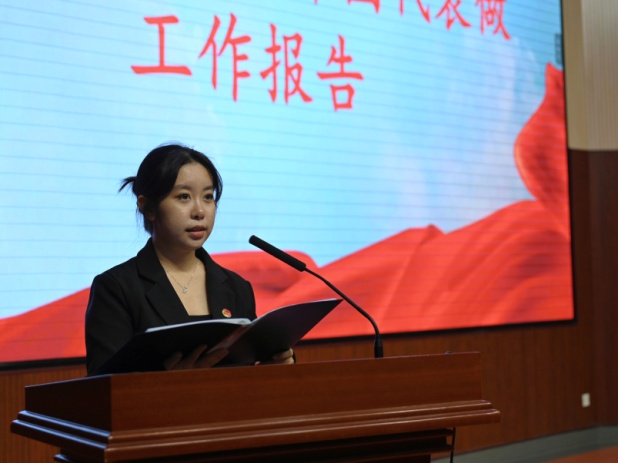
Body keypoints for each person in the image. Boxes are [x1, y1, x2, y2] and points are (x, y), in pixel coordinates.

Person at [85, 143, 294, 375]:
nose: (199, 211)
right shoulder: (117, 289)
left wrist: (273, 368)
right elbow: (102, 386)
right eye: (184, 197)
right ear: (148, 207)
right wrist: (171, 383)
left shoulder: (236, 287)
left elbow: (248, 370)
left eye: (208, 197)